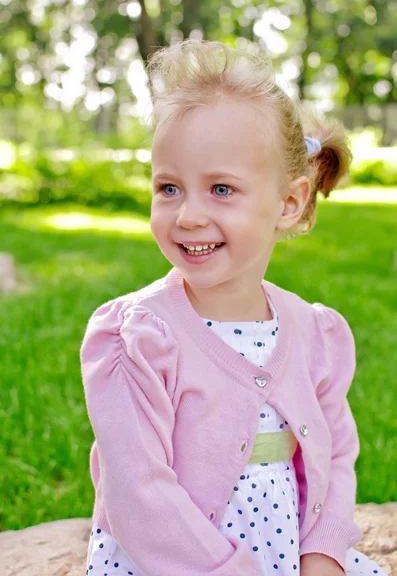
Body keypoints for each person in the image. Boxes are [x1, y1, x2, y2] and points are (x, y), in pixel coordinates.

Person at [80, 40, 386, 576]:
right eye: (168, 188)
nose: (189, 215)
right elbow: (137, 492)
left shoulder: (314, 334)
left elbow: (335, 456)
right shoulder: (139, 338)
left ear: (288, 203)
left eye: (221, 188)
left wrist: (322, 555)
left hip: (286, 552)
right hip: (171, 562)